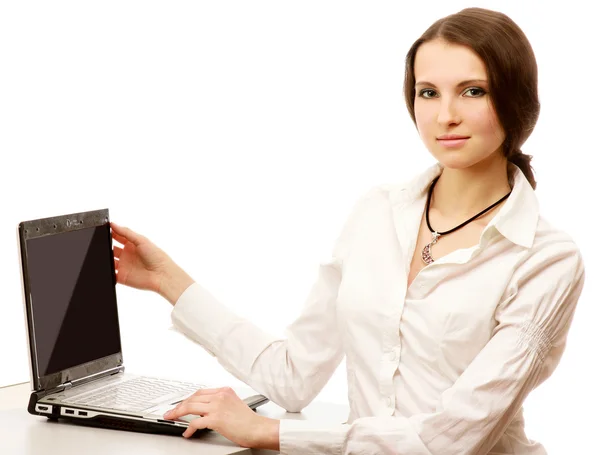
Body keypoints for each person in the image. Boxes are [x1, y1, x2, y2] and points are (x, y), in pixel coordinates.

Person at [110, 7, 585, 454]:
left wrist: (272, 432)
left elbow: (452, 438)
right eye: (428, 92)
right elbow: (293, 376)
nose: (446, 115)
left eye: (473, 91)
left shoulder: (546, 259)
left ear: (515, 98)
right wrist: (167, 281)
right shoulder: (378, 212)